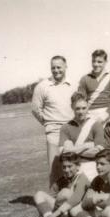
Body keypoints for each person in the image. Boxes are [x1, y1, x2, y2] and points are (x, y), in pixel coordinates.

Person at [31, 55, 76, 187]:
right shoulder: (42, 86)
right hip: (54, 132)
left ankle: (74, 198)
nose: (56, 70)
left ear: (66, 66)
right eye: (53, 68)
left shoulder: (74, 85)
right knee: (55, 169)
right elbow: (35, 109)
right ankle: (57, 201)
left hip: (71, 130)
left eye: (59, 67)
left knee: (73, 166)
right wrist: (47, 123)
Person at [25, 152, 90, 217]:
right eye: (64, 167)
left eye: (70, 166)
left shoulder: (82, 178)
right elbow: (50, 200)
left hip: (77, 213)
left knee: (65, 192)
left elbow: (76, 199)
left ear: (78, 166)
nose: (66, 170)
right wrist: (47, 214)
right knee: (39, 194)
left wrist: (52, 216)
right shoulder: (62, 180)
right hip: (62, 214)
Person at [58, 92, 105, 182]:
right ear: (72, 107)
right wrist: (87, 145)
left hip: (93, 167)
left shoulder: (96, 125)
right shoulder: (65, 127)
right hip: (73, 169)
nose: (81, 112)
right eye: (78, 109)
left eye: (84, 108)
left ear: (88, 107)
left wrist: (72, 149)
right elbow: (64, 154)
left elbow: (99, 153)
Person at [78, 49, 110, 122]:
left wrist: (104, 117)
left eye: (99, 62)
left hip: (107, 114)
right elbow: (81, 101)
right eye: (94, 61)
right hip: (90, 114)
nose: (96, 64)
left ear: (106, 62)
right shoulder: (85, 79)